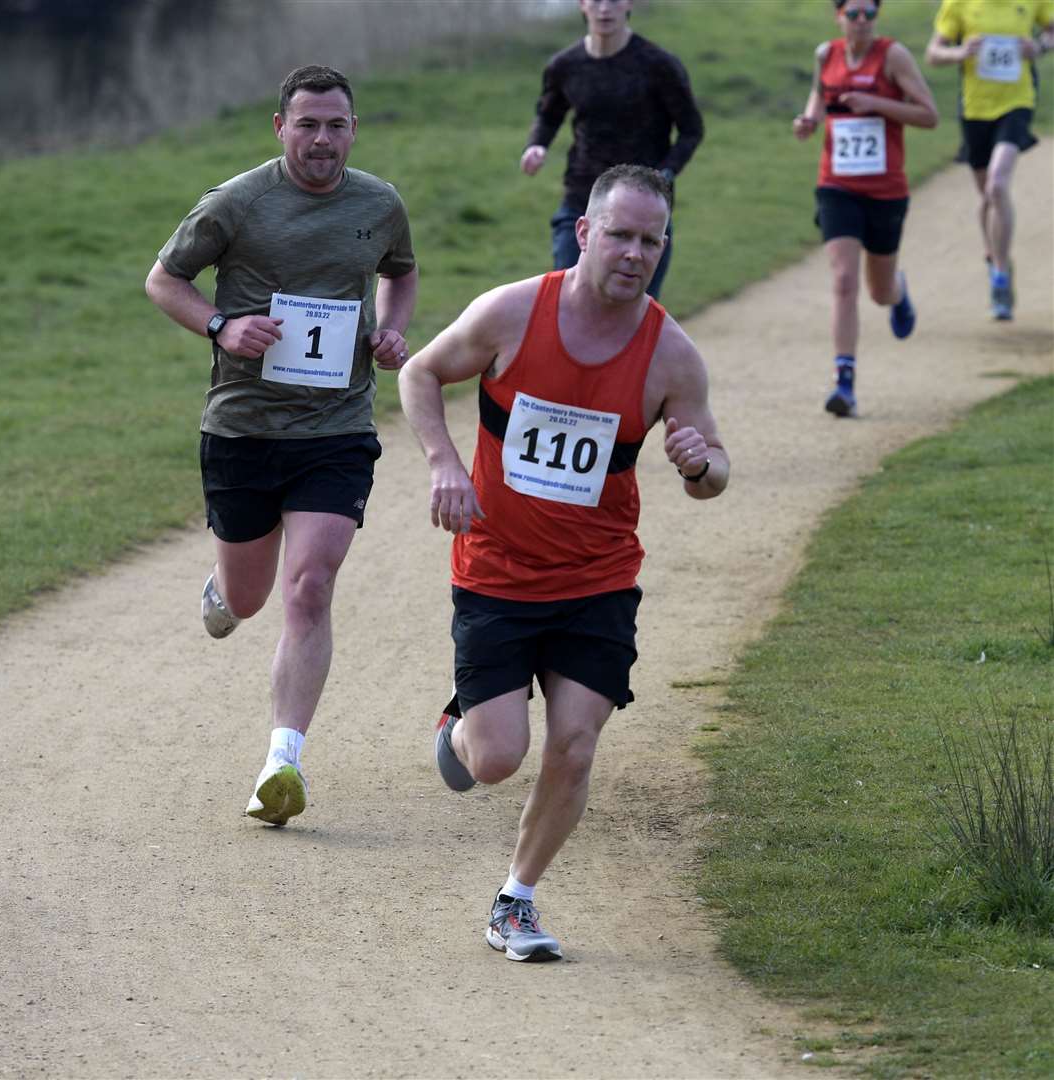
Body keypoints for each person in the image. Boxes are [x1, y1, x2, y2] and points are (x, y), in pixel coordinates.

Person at [398, 164, 728, 962]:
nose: (634, 253)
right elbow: (418, 372)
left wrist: (695, 462)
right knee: (496, 758)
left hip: (597, 580)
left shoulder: (670, 355)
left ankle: (516, 900)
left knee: (575, 745)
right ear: (583, 232)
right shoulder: (512, 313)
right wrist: (444, 462)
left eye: (651, 240)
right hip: (497, 572)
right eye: (619, 234)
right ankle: (464, 724)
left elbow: (713, 474)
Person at [145, 65, 418, 827]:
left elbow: (400, 271)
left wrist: (393, 329)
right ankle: (222, 590)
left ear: (352, 130)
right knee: (250, 595)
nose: (322, 139)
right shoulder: (236, 202)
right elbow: (163, 281)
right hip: (241, 428)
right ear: (280, 128)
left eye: (335, 125)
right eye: (307, 124)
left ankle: (282, 761)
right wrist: (221, 326)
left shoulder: (378, 202)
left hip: (336, 430)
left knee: (309, 589)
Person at [793, 0, 939, 418]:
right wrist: (808, 122)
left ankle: (899, 292)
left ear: (877, 16)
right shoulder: (827, 54)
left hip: (885, 189)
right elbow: (819, 101)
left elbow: (930, 115)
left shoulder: (892, 56)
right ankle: (845, 381)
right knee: (843, 279)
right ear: (837, 15)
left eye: (868, 14)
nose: (861, 22)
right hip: (836, 184)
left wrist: (877, 104)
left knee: (879, 291)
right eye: (852, 13)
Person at [519, 0, 703, 300]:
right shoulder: (564, 65)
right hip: (582, 201)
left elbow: (691, 129)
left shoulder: (659, 65)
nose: (605, 9)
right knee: (567, 300)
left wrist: (665, 173)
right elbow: (549, 114)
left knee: (630, 311)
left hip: (642, 210)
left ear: (629, 4)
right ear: (582, 5)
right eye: (596, 0)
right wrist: (537, 145)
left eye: (614, 0)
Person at [926, 0, 1054, 319]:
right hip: (975, 110)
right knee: (987, 196)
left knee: (998, 184)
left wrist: (1038, 46)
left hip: (1017, 102)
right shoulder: (959, 4)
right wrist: (961, 52)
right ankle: (996, 258)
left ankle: (999, 274)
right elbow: (933, 54)